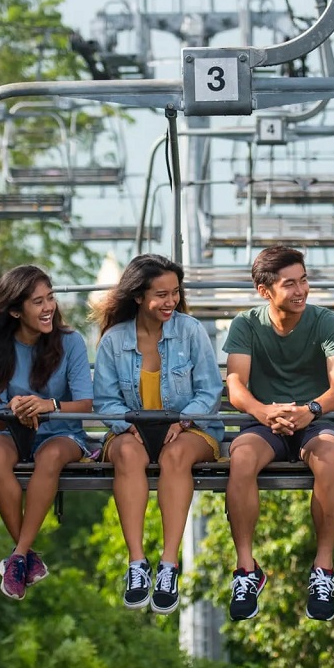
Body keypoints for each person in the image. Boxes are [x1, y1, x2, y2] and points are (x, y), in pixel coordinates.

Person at [222, 245, 334, 622]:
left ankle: (323, 568)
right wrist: (264, 412)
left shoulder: (326, 322)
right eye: (290, 284)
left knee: (328, 456)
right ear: (265, 291)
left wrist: (308, 411)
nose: (301, 291)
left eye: (304, 280)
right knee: (241, 458)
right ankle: (246, 569)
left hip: (315, 420)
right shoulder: (246, 325)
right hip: (265, 423)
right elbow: (236, 385)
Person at [92, 254, 223, 615]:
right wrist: (128, 424)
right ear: (138, 296)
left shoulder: (190, 331)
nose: (171, 302)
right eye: (161, 295)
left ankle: (168, 564)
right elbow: (106, 401)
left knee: (175, 456)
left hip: (188, 427)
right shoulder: (114, 341)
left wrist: (182, 421)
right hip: (132, 429)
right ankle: (137, 563)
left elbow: (209, 391)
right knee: (127, 454)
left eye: (175, 293)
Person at [0, 265, 93, 601]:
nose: (48, 307)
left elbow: (85, 404)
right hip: (15, 433)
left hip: (62, 434)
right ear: (15, 311)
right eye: (38, 302)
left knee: (49, 456)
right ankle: (26, 559)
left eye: (50, 298)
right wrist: (15, 409)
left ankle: (20, 554)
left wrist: (48, 405)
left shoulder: (70, 343)